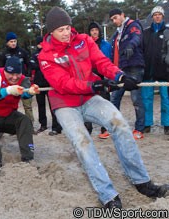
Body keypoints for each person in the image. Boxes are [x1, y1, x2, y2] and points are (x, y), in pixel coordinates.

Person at [38, 6, 169, 209]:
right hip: (65, 103)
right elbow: (62, 83)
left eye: (67, 27)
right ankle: (108, 196)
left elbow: (101, 62)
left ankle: (142, 182)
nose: (65, 33)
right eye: (60, 30)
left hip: (89, 97)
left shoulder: (83, 40)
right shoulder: (45, 55)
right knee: (83, 142)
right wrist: (93, 85)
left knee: (120, 123)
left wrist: (120, 76)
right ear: (51, 32)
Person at [0, 56, 39, 166]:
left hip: (8, 115)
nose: (14, 77)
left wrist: (30, 92)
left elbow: (25, 92)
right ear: (5, 70)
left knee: (25, 121)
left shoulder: (23, 79)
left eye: (17, 74)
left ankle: (28, 158)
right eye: (11, 74)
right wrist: (7, 90)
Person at [109, 8, 145, 140]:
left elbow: (137, 37)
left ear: (123, 15)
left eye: (116, 17)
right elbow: (113, 52)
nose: (114, 21)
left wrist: (131, 45)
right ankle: (115, 126)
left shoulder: (133, 25)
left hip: (134, 67)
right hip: (120, 69)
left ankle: (139, 128)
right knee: (114, 98)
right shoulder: (117, 34)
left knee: (136, 99)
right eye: (112, 19)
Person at [0, 32, 35, 127]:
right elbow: (0, 68)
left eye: (15, 41)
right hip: (10, 83)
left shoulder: (22, 52)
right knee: (10, 105)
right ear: (7, 43)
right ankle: (11, 125)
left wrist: (29, 75)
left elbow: (29, 64)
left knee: (27, 104)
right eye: (11, 41)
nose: (13, 43)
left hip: (23, 80)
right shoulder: (4, 54)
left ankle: (30, 125)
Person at [142, 6, 169, 135]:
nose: (157, 16)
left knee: (166, 99)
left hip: (164, 72)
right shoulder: (146, 33)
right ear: (152, 17)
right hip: (148, 71)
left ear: (163, 16)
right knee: (147, 99)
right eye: (155, 14)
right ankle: (147, 124)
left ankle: (167, 124)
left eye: (159, 14)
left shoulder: (168, 32)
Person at [29, 36, 62, 135]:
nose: (41, 45)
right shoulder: (34, 54)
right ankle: (43, 124)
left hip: (50, 82)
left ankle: (56, 127)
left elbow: (51, 65)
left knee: (53, 105)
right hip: (39, 83)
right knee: (40, 105)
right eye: (39, 43)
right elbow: (33, 65)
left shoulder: (49, 52)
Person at [86, 21, 112, 139]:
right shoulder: (85, 44)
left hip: (102, 76)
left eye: (96, 30)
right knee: (87, 101)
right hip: (89, 76)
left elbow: (108, 60)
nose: (94, 32)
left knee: (104, 102)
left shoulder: (106, 45)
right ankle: (87, 128)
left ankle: (105, 128)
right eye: (92, 30)